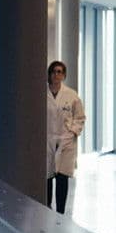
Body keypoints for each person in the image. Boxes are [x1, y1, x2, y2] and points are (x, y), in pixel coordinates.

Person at [46, 60, 85, 214]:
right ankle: (47, 210)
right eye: (54, 71)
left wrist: (73, 132)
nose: (56, 75)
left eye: (59, 72)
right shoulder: (42, 93)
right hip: (47, 140)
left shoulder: (71, 95)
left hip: (66, 141)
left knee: (62, 178)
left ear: (64, 75)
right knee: (47, 177)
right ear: (49, 74)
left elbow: (80, 117)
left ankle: (60, 213)